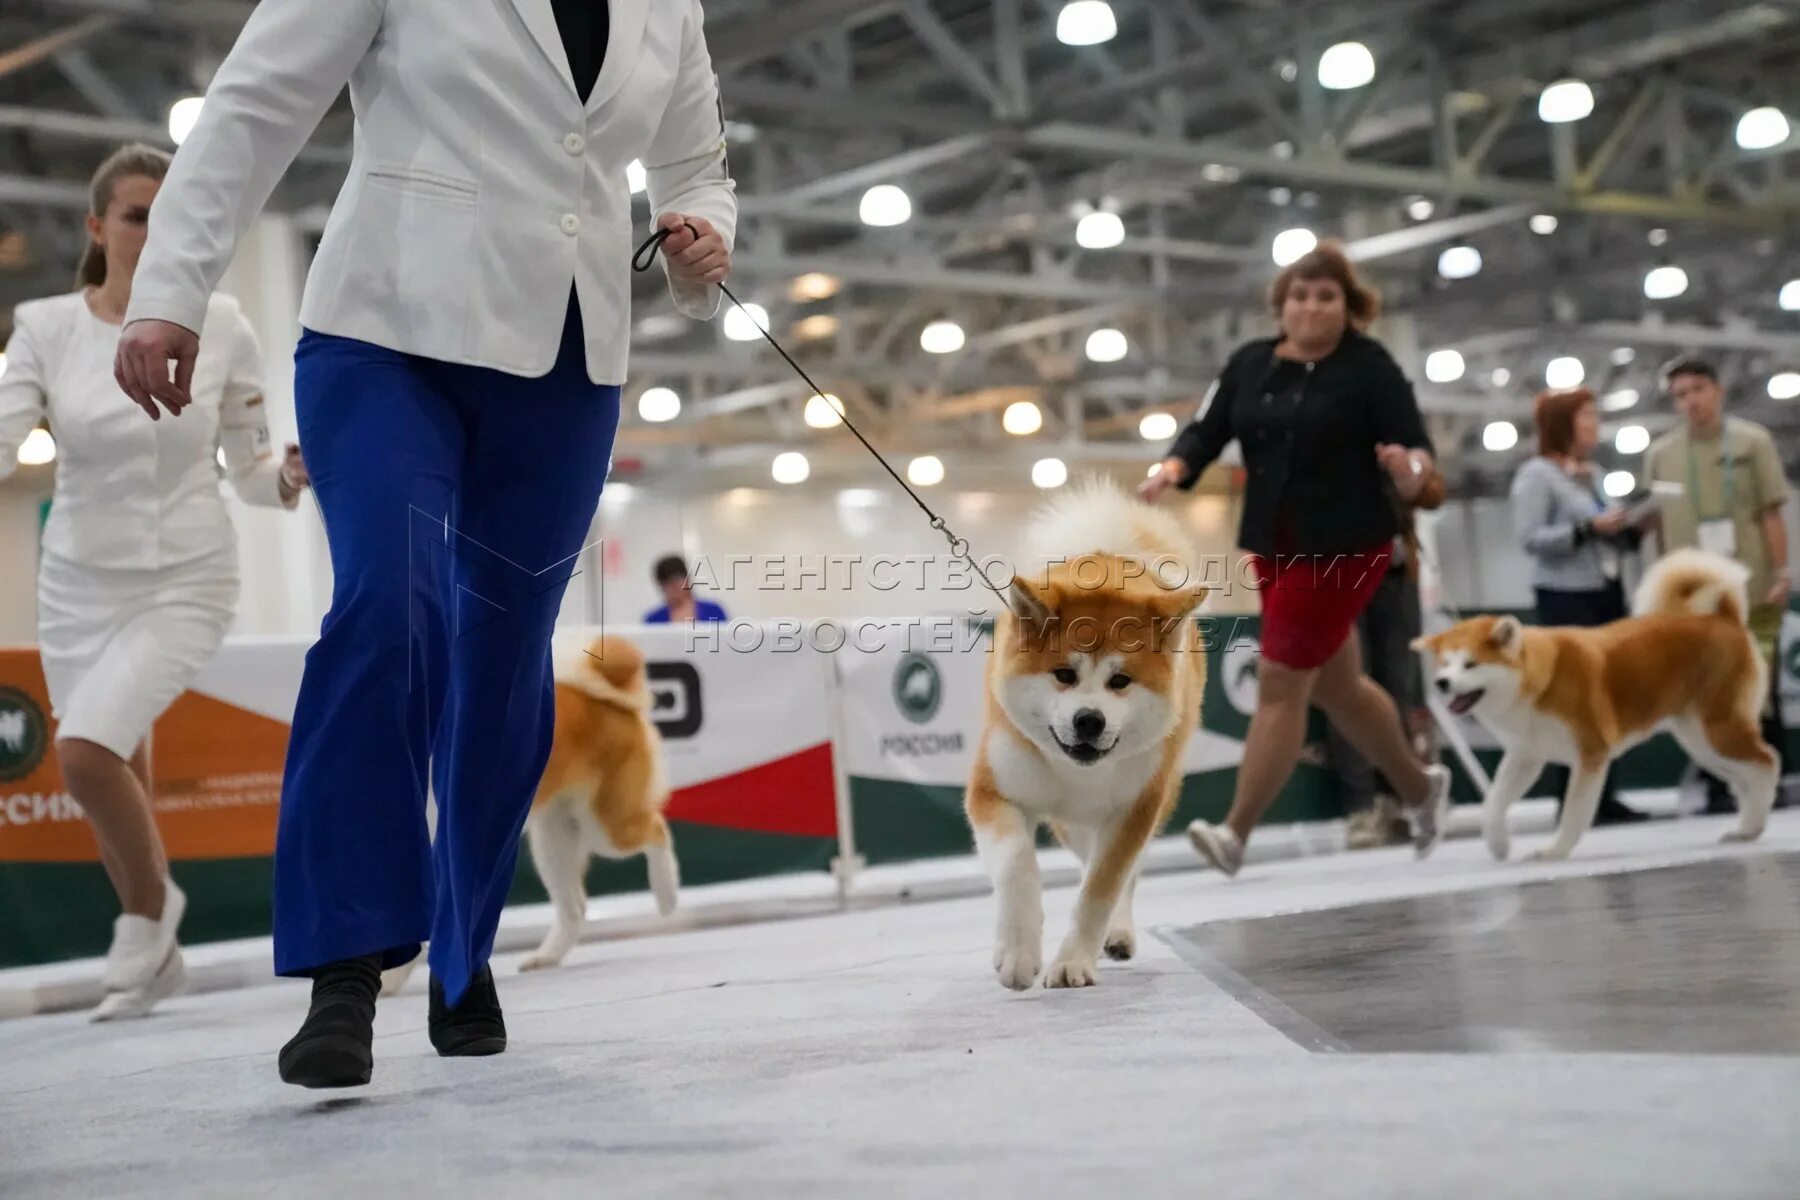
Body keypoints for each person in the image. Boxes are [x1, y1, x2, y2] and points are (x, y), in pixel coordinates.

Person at [112, 0, 736, 1088]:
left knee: (503, 671)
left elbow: (696, 161)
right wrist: (170, 289)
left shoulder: (666, 5)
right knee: (389, 608)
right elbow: (254, 104)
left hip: (566, 369)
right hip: (384, 337)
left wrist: (696, 240)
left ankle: (462, 952)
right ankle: (346, 963)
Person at [0, 143, 309, 1021]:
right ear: (99, 229)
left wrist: (285, 477)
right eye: (136, 214)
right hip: (77, 588)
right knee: (113, 767)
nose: (153, 228)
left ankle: (146, 915)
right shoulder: (45, 328)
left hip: (189, 576)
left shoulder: (226, 324)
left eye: (168, 212)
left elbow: (249, 472)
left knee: (85, 754)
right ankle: (157, 954)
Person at [1139, 240, 1450, 876]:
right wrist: (1175, 466)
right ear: (1281, 304)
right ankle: (1420, 789)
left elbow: (1417, 449)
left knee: (1281, 681)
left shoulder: (1370, 367)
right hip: (1274, 546)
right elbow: (1208, 425)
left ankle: (1235, 833)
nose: (1311, 307)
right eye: (1300, 295)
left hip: (1347, 547)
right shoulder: (1250, 363)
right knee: (1339, 687)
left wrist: (1408, 468)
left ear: (1348, 306)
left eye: (1326, 296)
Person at [1643, 357, 1792, 811]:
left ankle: (1769, 778)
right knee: (1702, 687)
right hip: (1691, 597)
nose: (1690, 401)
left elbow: (1771, 513)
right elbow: (1659, 527)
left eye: (1698, 390)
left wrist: (1783, 573)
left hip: (1751, 584)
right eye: (1680, 395)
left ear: (1717, 391)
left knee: (1758, 681)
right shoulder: (1661, 455)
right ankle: (1717, 783)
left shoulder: (1753, 442)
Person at [1509, 387, 1649, 825]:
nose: (1594, 424)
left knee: (1609, 696)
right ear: (1562, 423)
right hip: (1565, 597)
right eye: (1585, 416)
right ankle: (1570, 799)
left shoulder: (1594, 473)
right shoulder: (1537, 476)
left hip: (1605, 590)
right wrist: (1587, 528)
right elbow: (1529, 538)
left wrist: (1632, 526)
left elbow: (1606, 526)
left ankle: (1605, 794)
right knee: (1570, 701)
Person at [643, 554, 728, 623]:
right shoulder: (653, 619)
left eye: (677, 581)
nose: (674, 588)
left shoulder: (713, 611)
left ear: (688, 579)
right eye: (668, 584)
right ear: (661, 586)